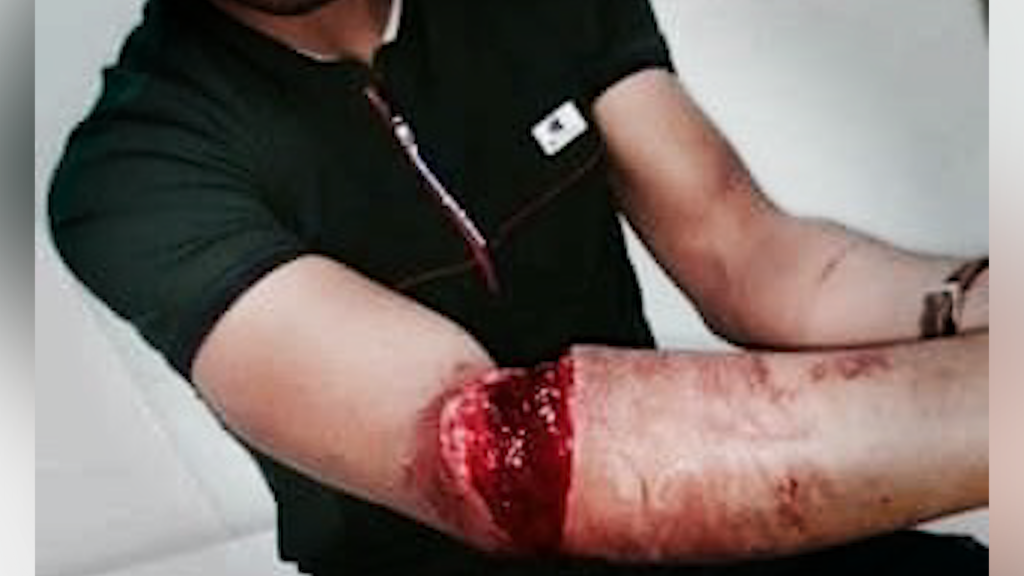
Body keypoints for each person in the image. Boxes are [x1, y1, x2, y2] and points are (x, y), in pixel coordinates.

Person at [47, 0, 989, 574]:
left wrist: (980, 301)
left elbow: (753, 254)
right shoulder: (133, 175)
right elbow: (498, 460)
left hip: (704, 543)